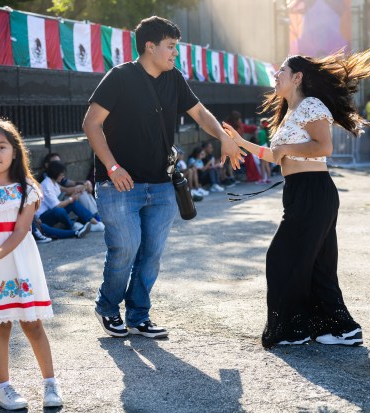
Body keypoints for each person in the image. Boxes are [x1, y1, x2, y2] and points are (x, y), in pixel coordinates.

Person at [83, 16, 242, 339]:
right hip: (118, 184)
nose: (175, 54)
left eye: (176, 48)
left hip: (161, 183)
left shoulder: (174, 79)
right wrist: (113, 167)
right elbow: (91, 123)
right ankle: (108, 308)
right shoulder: (120, 77)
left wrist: (223, 135)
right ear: (150, 47)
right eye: (171, 47)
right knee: (125, 248)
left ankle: (139, 315)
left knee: (151, 253)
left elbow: (200, 114)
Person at [222, 49, 370, 348]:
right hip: (299, 191)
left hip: (314, 189)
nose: (276, 74)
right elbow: (277, 156)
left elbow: (325, 147)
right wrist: (240, 142)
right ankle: (338, 329)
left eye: (282, 70)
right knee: (317, 265)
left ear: (297, 77)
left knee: (280, 257)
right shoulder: (291, 114)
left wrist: (285, 149)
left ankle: (294, 331)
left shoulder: (311, 105)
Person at [0, 118, 63, 410]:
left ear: (15, 150)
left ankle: (50, 383)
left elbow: (22, 229)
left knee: (32, 325)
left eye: (1, 146)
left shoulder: (26, 187)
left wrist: (0, 251)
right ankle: (4, 387)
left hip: (18, 259)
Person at [38, 161, 105, 236]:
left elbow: (66, 190)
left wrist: (82, 187)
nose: (63, 177)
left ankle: (95, 222)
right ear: (55, 173)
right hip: (43, 217)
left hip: (53, 212)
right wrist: (71, 199)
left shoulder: (54, 183)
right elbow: (57, 206)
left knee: (73, 203)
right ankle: (73, 226)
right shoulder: (46, 185)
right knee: (60, 210)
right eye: (61, 174)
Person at [257, 118, 273, 183]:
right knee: (266, 164)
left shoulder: (260, 132)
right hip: (266, 147)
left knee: (262, 165)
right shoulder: (267, 132)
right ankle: (268, 179)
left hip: (261, 148)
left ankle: (263, 179)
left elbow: (258, 141)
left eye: (260, 123)